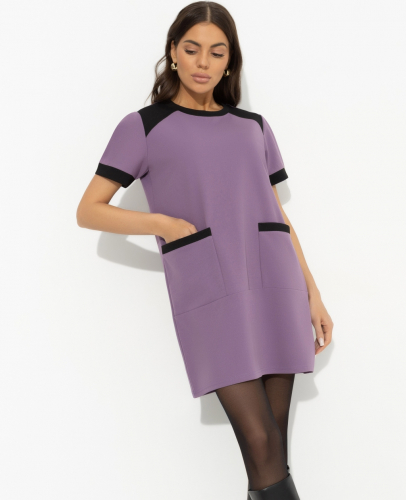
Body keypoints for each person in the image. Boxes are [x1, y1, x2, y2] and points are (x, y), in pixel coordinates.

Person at [77, 2, 333, 498]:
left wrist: (313, 294)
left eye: (217, 52)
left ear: (230, 61)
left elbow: (277, 215)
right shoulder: (143, 126)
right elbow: (89, 210)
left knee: (273, 451)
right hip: (212, 291)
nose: (203, 62)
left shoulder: (254, 126)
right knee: (261, 444)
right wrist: (159, 223)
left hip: (276, 286)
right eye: (192, 49)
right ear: (173, 52)